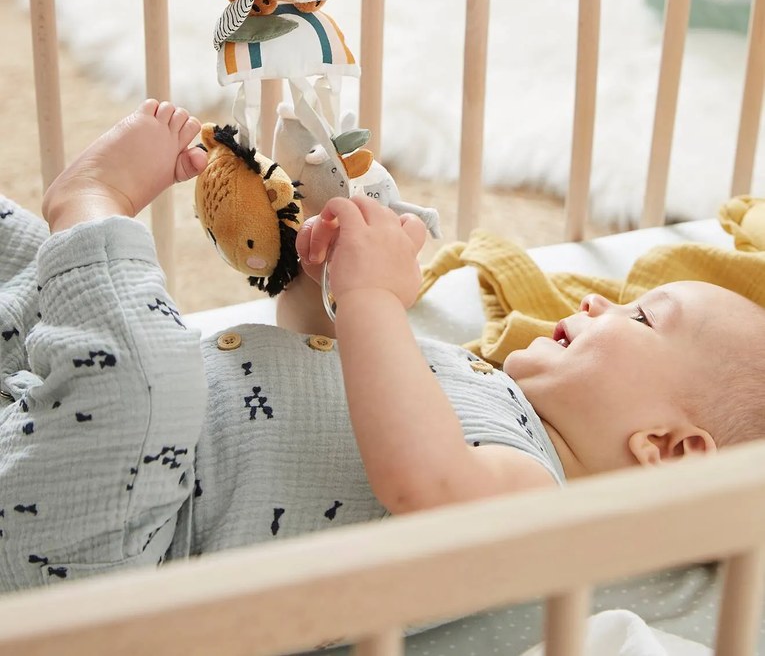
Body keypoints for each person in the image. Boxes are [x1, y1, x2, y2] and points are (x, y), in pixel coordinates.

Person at [1, 100, 764, 595]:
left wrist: (371, 299)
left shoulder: (540, 506)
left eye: (637, 320)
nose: (599, 299)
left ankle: (91, 204)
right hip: (70, 444)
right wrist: (318, 280)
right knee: (31, 277)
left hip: (112, 552)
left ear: (667, 448)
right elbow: (319, 372)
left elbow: (420, 483)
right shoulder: (484, 381)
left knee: (145, 366)